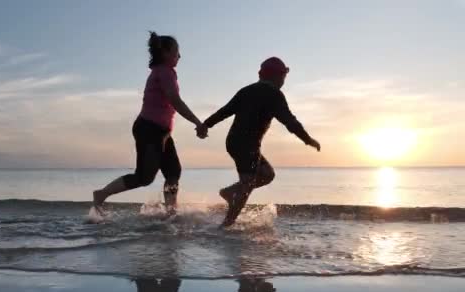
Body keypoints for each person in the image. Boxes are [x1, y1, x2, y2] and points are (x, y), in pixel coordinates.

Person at [93, 31, 207, 214]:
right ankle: (101, 194)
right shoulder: (164, 72)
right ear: (166, 53)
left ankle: (171, 212)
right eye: (177, 52)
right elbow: (175, 100)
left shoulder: (165, 72)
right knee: (144, 177)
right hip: (149, 129)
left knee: (173, 172)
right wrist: (197, 122)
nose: (180, 56)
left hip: (161, 131)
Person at [199, 57, 320, 227]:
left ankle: (231, 192)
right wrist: (308, 140)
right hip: (246, 144)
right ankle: (227, 224)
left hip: (235, 142)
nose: (284, 80)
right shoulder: (274, 95)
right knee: (247, 183)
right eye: (283, 76)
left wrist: (206, 125)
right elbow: (290, 122)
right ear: (277, 76)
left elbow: (224, 111)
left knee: (267, 175)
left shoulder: (246, 90)